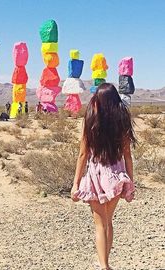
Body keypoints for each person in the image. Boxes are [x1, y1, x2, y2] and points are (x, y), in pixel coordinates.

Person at [71, 83, 136, 270]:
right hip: (116, 174)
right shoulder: (121, 122)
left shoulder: (90, 122)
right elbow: (127, 155)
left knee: (100, 224)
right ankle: (104, 260)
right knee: (108, 221)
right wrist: (131, 182)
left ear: (98, 101)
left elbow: (83, 155)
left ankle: (104, 266)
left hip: (97, 175)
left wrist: (75, 184)